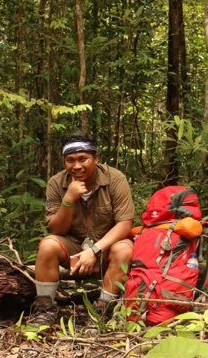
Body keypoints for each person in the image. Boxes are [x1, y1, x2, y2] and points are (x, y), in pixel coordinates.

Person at [30, 132, 135, 326]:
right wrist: (69, 200)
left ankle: (103, 310)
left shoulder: (115, 178)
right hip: (74, 246)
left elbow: (125, 224)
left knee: (125, 248)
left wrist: (95, 251)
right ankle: (44, 310)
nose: (76, 166)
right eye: (70, 160)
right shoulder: (56, 183)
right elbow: (57, 230)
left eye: (83, 159)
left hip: (107, 247)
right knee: (47, 245)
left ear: (95, 159)